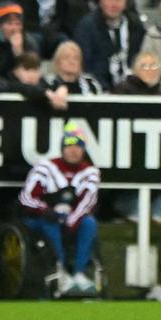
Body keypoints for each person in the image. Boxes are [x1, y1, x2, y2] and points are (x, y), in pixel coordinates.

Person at [18, 123, 101, 296]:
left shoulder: (90, 172)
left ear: (84, 149)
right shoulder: (45, 167)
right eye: (69, 145)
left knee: (89, 223)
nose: (73, 150)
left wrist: (69, 221)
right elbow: (26, 197)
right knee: (50, 223)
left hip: (71, 219)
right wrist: (47, 211)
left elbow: (88, 202)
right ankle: (59, 271)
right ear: (62, 147)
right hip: (42, 217)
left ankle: (79, 273)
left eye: (78, 146)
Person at [73, 0, 146, 89]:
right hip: (98, 87)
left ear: (125, 3)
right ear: (101, 2)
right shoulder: (87, 26)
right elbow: (84, 64)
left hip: (131, 88)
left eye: (118, 0)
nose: (114, 4)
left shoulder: (135, 26)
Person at [0, 1, 41, 78]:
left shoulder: (29, 42)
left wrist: (19, 55)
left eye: (18, 24)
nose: (14, 29)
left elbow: (32, 74)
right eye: (9, 23)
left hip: (20, 86)